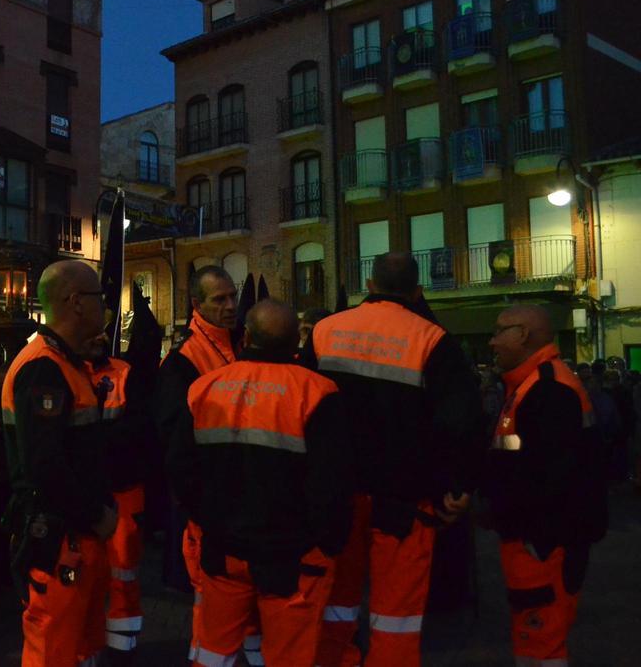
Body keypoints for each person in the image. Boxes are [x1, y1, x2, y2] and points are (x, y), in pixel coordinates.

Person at [305, 252, 483, 667]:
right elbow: (460, 424)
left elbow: (305, 410)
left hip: (339, 494)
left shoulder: (325, 331)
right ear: (418, 291)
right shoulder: (433, 340)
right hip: (406, 499)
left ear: (369, 285)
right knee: (396, 614)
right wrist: (457, 486)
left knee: (336, 602)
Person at [169, 300, 353, 666]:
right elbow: (331, 482)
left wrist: (209, 521)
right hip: (292, 556)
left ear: (246, 336)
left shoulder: (204, 389)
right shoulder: (318, 393)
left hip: (224, 550)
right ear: (295, 344)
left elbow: (180, 470)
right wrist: (324, 542)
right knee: (288, 656)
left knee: (211, 652)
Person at [1, 260, 118, 666]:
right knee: (53, 648)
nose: (106, 305)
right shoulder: (43, 368)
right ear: (75, 303)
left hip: (75, 534)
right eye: (99, 297)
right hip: (60, 537)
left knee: (79, 646)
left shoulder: (65, 363)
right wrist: (94, 513)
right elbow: (44, 464)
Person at [484, 304, 606, 666]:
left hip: (543, 543)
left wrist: (526, 530)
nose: (492, 341)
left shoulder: (546, 388)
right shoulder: (534, 384)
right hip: (538, 540)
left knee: (543, 641)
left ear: (523, 335)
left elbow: (552, 475)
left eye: (499, 331)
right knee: (535, 638)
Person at [155, 265, 243, 663]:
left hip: (239, 490)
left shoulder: (239, 342)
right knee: (209, 600)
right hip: (209, 496)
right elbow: (175, 438)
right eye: (219, 299)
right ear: (196, 305)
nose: (229, 306)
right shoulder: (183, 360)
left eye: (232, 297)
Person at [89, 335, 159, 665]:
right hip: (88, 489)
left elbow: (142, 425)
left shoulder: (124, 372)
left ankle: (122, 644)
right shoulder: (64, 371)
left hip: (123, 487)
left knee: (124, 569)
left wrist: (95, 441)